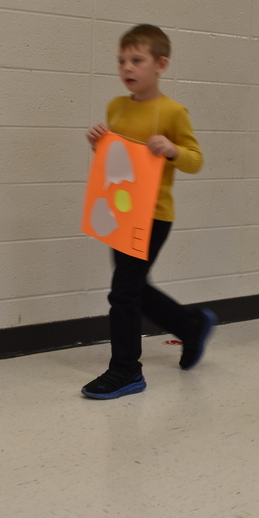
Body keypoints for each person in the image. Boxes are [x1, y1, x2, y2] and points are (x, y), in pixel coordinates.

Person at [82, 24, 217, 398]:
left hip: (155, 215)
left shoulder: (172, 112)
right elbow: (119, 163)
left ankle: (126, 370)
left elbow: (195, 160)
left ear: (161, 64)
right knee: (133, 286)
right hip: (120, 212)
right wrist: (100, 146)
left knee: (123, 292)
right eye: (122, 60)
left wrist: (172, 149)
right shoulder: (116, 106)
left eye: (136, 60)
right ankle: (191, 325)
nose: (127, 67)